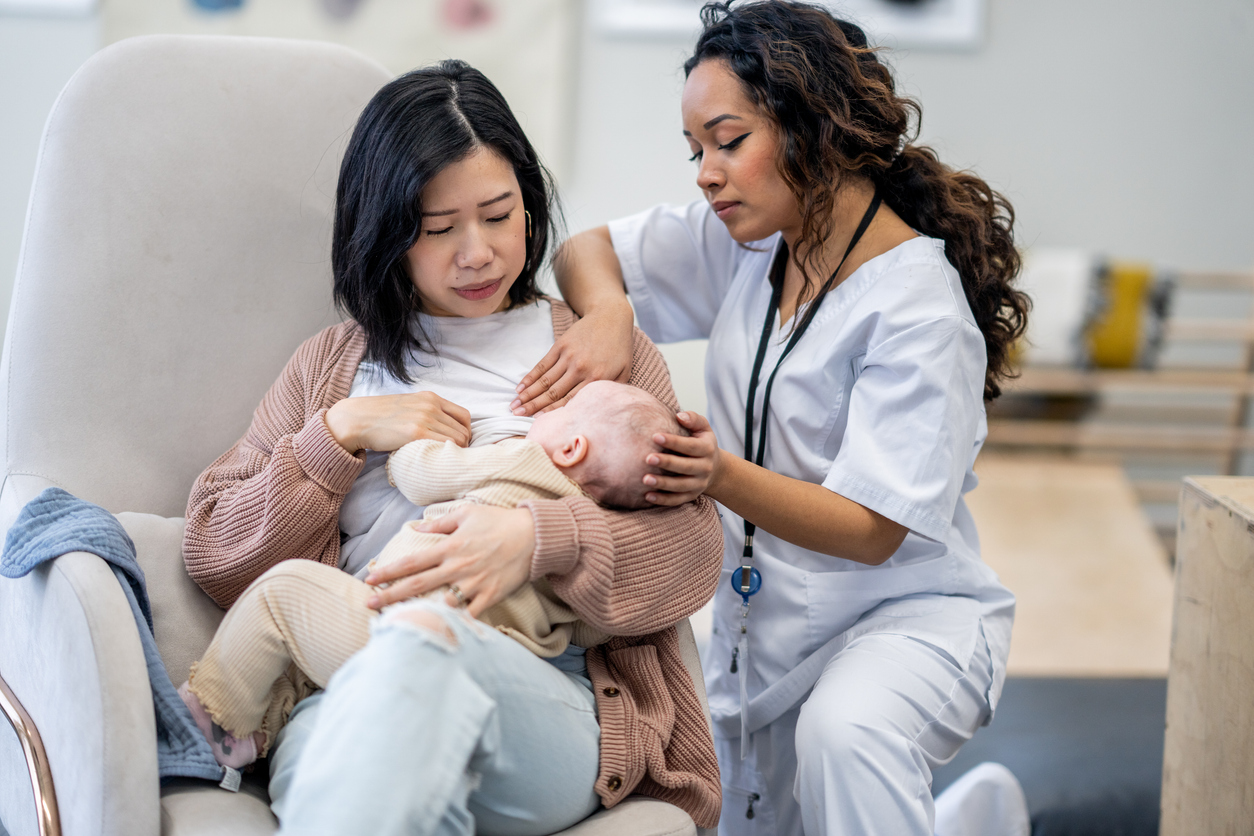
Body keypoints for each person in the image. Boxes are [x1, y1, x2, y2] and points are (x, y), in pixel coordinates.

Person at [516, 2, 1027, 834]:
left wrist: (718, 476)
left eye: (727, 141)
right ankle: (974, 818)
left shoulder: (919, 312)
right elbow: (584, 250)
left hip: (908, 622)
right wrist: (609, 312)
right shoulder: (753, 243)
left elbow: (874, 529)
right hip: (768, 626)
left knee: (848, 734)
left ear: (811, 123)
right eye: (695, 150)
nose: (705, 173)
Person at [181, 61, 723, 835]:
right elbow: (215, 552)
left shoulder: (598, 356)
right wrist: (341, 436)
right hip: (348, 674)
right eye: (438, 230)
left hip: (545, 692)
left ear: (530, 213)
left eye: (500, 215)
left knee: (421, 656)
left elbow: (693, 552)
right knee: (382, 732)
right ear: (386, 235)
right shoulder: (334, 368)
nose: (478, 254)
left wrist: (540, 538)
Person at [178, 381, 686, 770]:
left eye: (558, 412)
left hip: (405, 635)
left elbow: (425, 475)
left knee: (283, 591)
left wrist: (405, 449)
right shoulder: (578, 549)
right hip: (495, 668)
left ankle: (212, 718)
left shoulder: (523, 459)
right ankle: (254, 738)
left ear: (571, 448)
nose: (542, 413)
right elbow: (595, 626)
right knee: (305, 667)